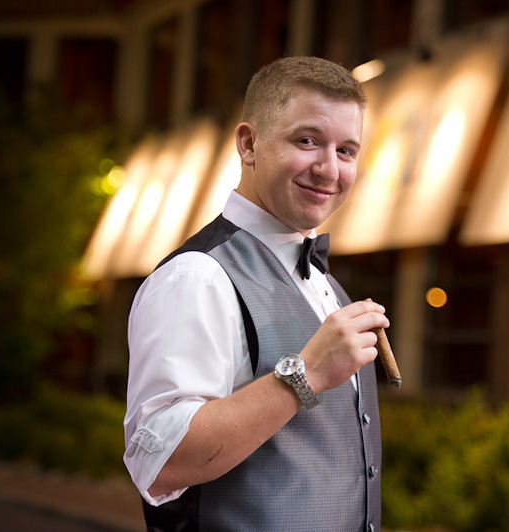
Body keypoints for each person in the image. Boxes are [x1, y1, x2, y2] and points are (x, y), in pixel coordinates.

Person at [123, 56, 389, 532]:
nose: (329, 169)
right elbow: (160, 462)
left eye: (346, 150)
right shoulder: (197, 277)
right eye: (307, 141)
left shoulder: (329, 287)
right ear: (249, 144)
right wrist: (306, 373)